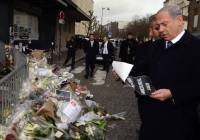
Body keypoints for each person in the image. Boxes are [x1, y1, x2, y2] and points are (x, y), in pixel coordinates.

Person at [131, 5, 200, 140]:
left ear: (179, 20)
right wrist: (125, 74)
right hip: (150, 121)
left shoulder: (196, 48)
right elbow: (141, 68)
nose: (160, 30)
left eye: (164, 24)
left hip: (180, 124)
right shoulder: (155, 46)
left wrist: (173, 93)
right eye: (157, 26)